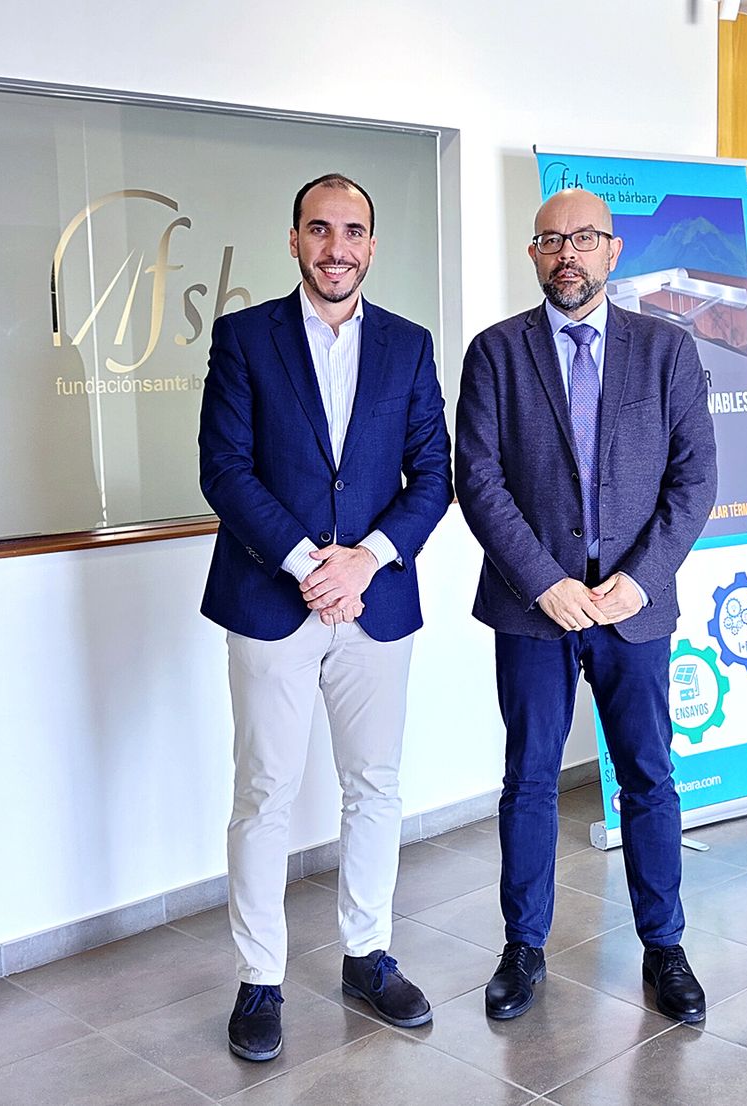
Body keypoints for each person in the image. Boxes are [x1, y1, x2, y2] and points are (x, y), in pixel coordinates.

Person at [198, 173, 453, 1061]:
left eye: (353, 232)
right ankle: (260, 977)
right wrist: (312, 564)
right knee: (264, 791)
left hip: (376, 603)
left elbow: (435, 474)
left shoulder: (410, 346)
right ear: (295, 238)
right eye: (320, 229)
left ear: (372, 246)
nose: (336, 247)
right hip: (273, 598)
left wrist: (366, 560)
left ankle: (366, 955)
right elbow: (224, 470)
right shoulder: (243, 339)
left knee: (374, 785)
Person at [455, 187, 718, 1024]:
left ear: (613, 250)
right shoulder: (494, 354)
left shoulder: (667, 351)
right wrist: (546, 581)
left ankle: (665, 947)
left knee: (648, 777)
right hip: (534, 608)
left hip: (633, 609)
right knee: (528, 780)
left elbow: (695, 477)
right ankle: (522, 948)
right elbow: (480, 481)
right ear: (532, 255)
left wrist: (638, 579)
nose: (567, 253)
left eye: (584, 239)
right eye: (550, 241)